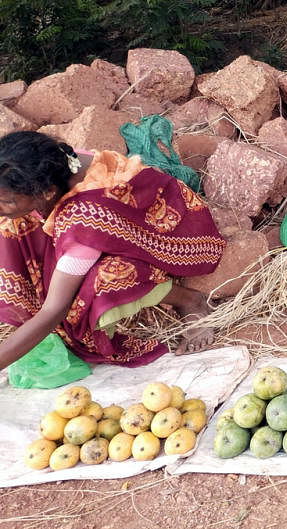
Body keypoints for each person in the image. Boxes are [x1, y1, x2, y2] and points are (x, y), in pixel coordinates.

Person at [0, 131, 227, 371]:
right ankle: (29, 325)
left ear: (46, 193)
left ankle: (188, 299)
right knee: (10, 225)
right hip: (116, 224)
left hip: (168, 234)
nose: (1, 207)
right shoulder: (56, 165)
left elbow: (55, 310)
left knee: (105, 281)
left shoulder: (82, 223)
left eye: (8, 201)